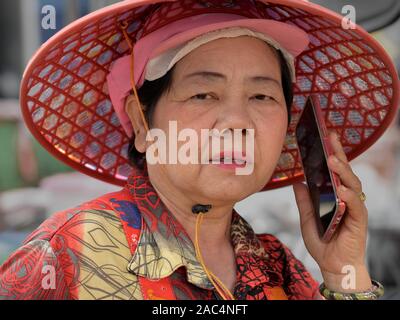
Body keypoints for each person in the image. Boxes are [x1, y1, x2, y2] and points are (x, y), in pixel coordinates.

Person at [0, 0, 398, 300]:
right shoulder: (69, 252)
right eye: (203, 94)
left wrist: (344, 270)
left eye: (262, 96)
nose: (237, 122)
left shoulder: (280, 270)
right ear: (142, 124)